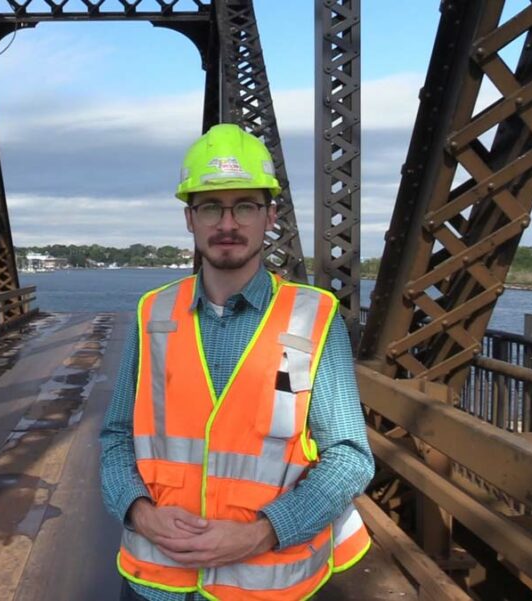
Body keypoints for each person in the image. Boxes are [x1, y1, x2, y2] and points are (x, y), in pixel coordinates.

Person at [99, 123, 375, 601]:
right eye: (211, 207)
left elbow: (349, 458)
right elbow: (116, 437)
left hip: (265, 585)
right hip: (156, 583)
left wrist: (261, 532)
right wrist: (140, 511)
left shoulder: (312, 320)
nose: (228, 224)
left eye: (245, 206)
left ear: (270, 216)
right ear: (191, 219)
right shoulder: (154, 315)